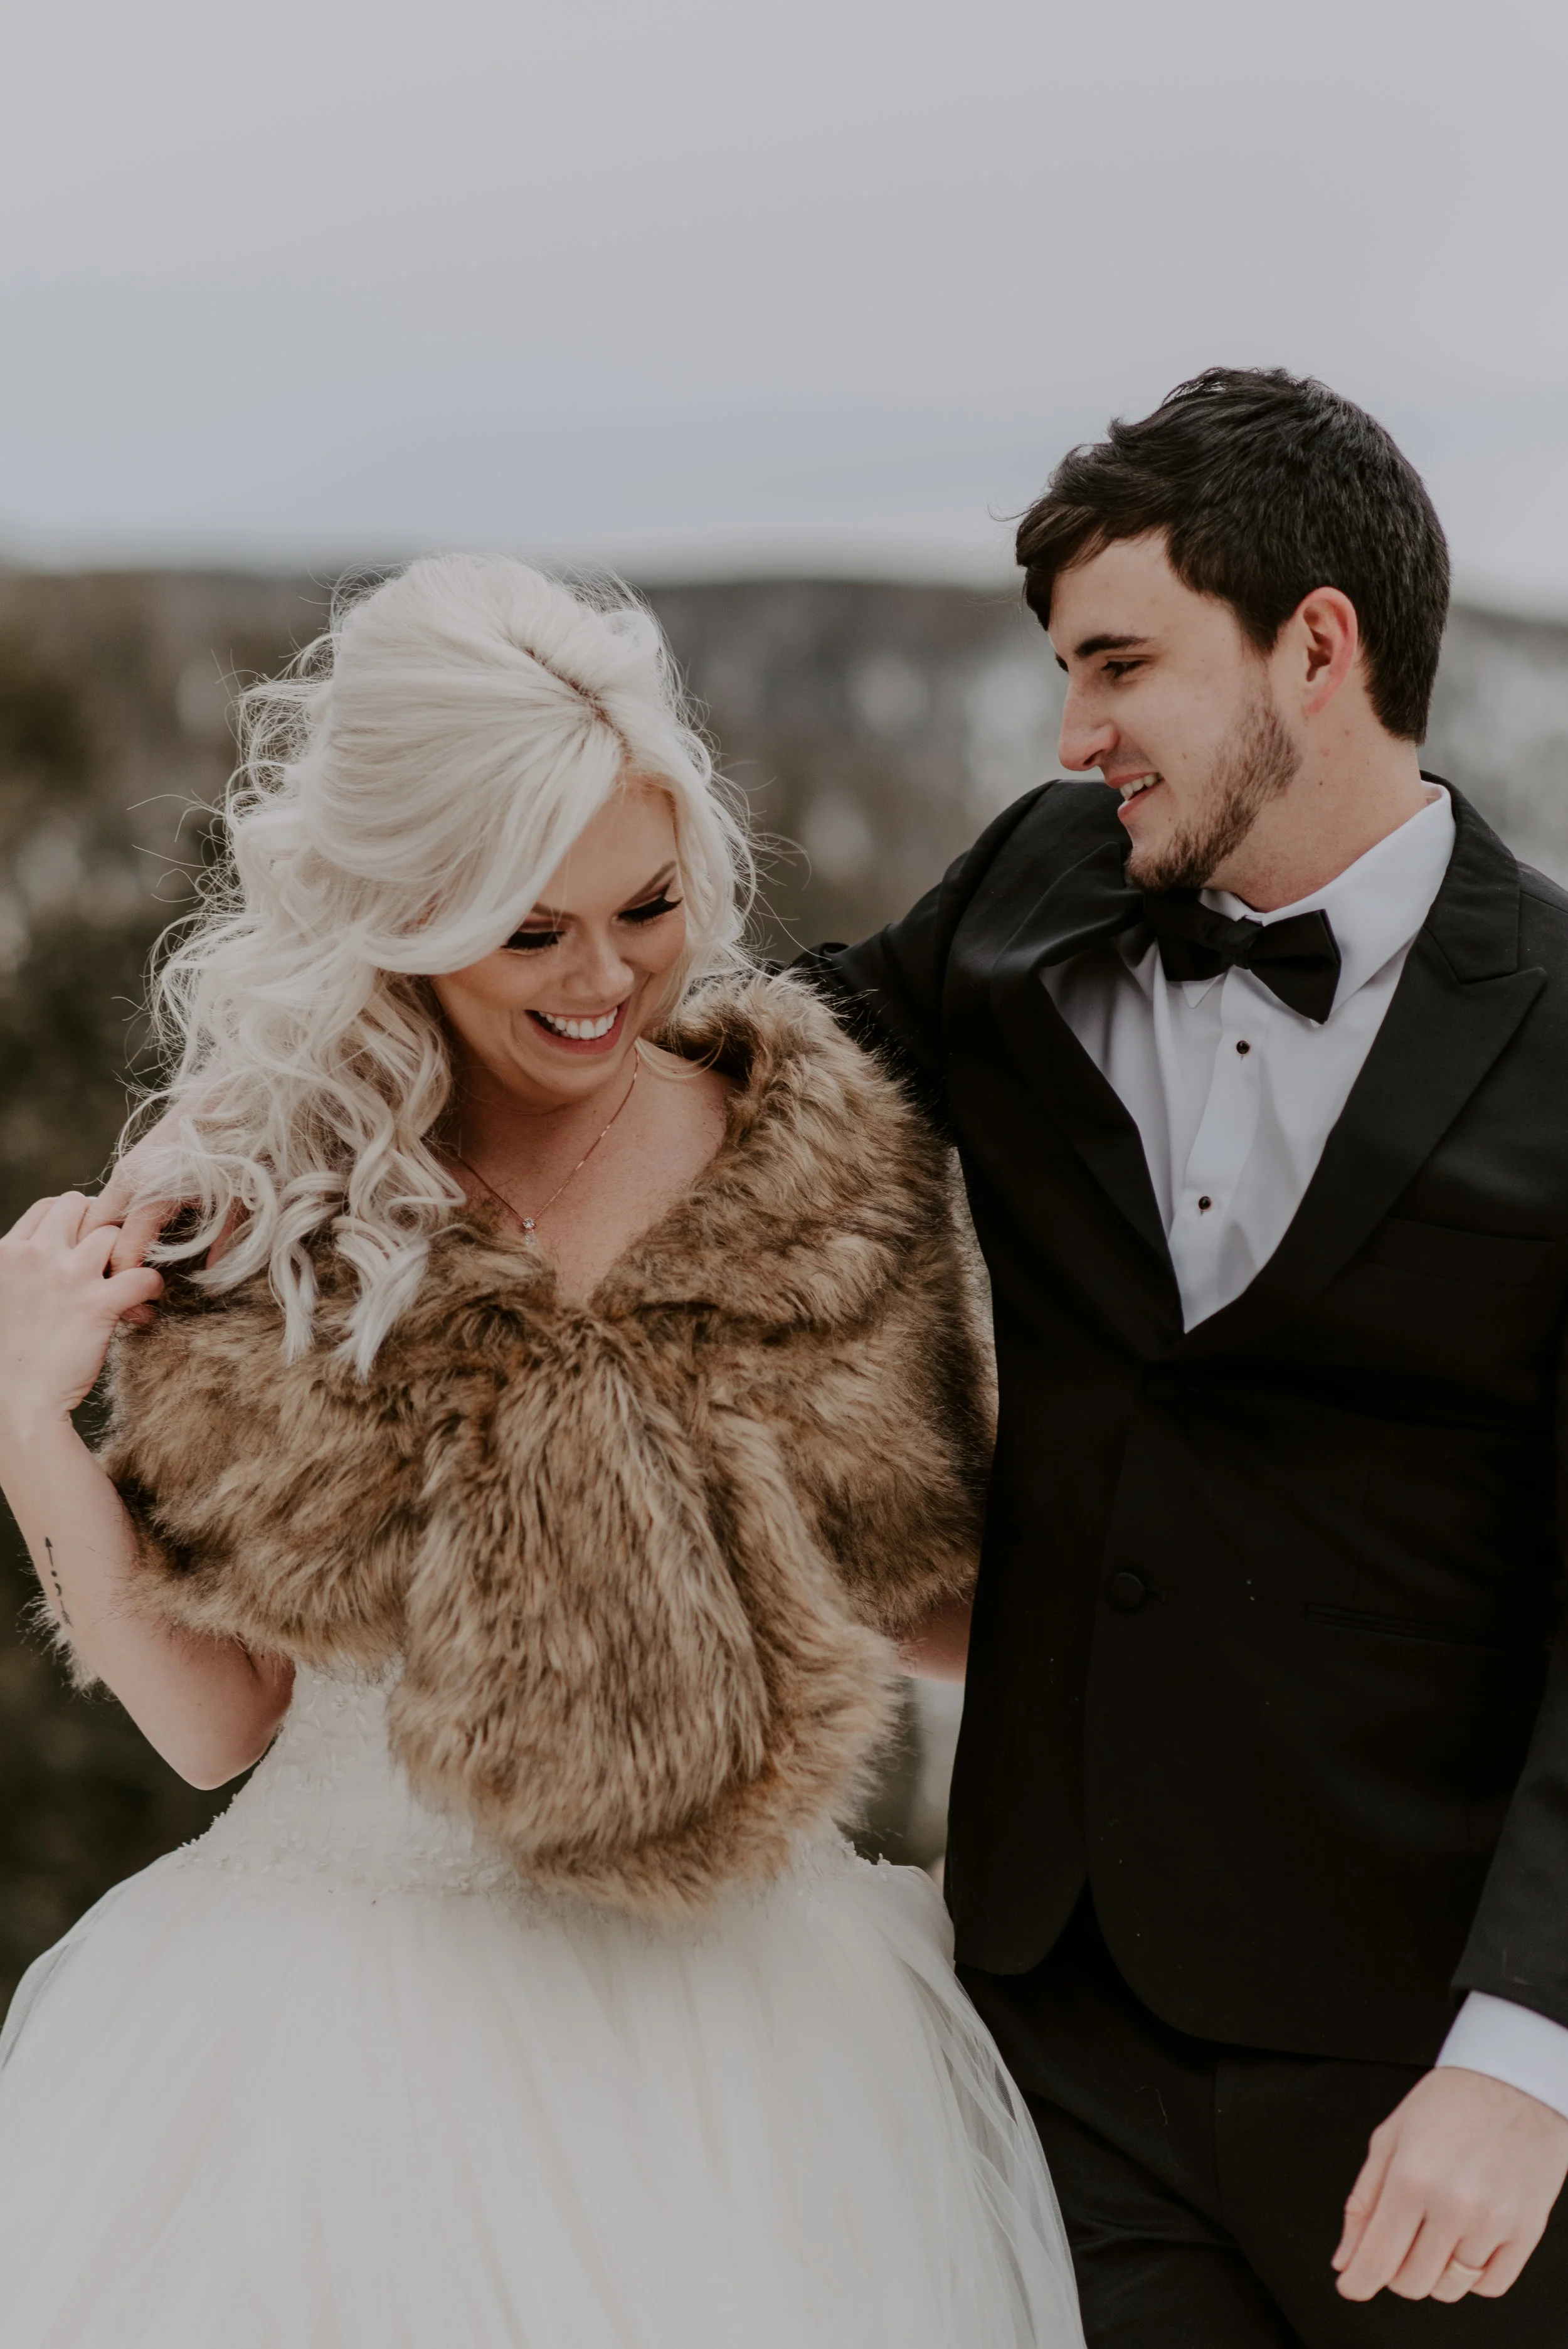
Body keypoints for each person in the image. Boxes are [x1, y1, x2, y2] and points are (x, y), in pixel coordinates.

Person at [0, 558, 1084, 2348]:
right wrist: (33, 1432)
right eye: (530, 931)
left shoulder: (818, 1169)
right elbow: (215, 1725)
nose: (608, 981)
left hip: (764, 2060)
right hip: (322, 2062)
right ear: (398, 912)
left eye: (649, 906)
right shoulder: (248, 1197)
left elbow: (939, 1605)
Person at [796, 370, 1568, 2345]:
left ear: (1315, 646)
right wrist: (332, 1094)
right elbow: (736, 1081)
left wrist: (1526, 2052)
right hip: (1060, 2025)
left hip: (1427, 2072)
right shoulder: (1026, 896)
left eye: (1120, 665)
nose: (1075, 736)